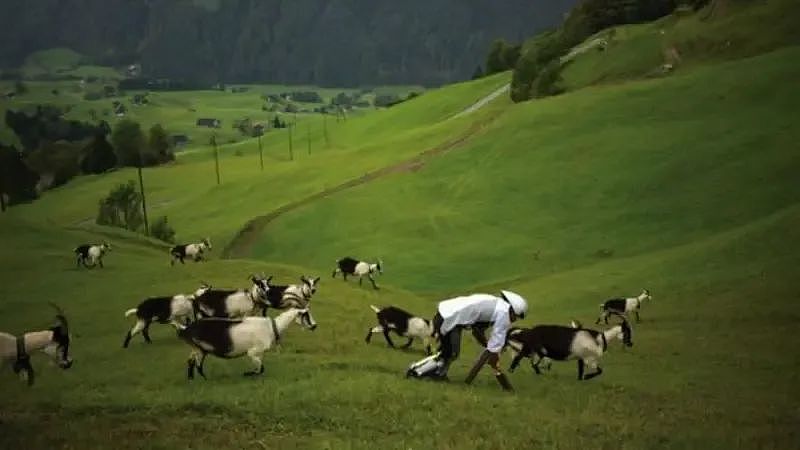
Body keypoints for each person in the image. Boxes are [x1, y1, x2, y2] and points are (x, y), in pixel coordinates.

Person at [407, 290, 528, 384]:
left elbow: (477, 331)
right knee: (449, 353)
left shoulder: (495, 304)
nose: (514, 320)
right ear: (512, 309)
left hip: (448, 315)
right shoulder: (503, 312)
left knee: (450, 353)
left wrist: (487, 346)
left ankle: (439, 374)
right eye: (516, 316)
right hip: (450, 319)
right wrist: (493, 356)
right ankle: (417, 371)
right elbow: (496, 340)